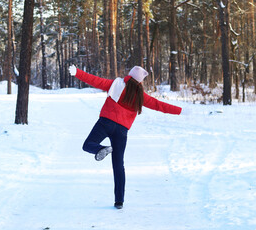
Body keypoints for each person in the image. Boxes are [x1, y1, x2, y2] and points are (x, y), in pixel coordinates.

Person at [68, 65, 182, 209]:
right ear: (140, 81)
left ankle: (101, 149)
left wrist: (77, 72)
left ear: (129, 75)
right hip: (121, 131)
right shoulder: (141, 96)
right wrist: (180, 111)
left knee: (88, 144)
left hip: (105, 123)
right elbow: (158, 105)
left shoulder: (116, 84)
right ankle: (119, 201)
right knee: (118, 165)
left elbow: (95, 80)